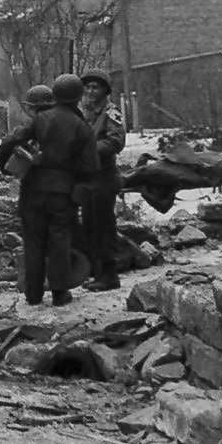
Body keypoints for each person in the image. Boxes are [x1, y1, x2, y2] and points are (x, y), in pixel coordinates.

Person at [0, 80, 98, 307]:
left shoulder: (38, 120)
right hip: (63, 192)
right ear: (78, 96)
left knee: (33, 241)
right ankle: (60, 293)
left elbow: (9, 142)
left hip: (33, 190)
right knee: (60, 241)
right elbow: (91, 168)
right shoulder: (82, 126)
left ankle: (33, 293)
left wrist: (5, 165)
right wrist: (78, 194)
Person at [77, 68, 126, 291]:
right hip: (88, 177)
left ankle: (109, 274)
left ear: (105, 91)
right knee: (90, 226)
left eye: (95, 87)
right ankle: (97, 272)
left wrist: (88, 150)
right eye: (87, 87)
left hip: (104, 176)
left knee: (104, 227)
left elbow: (116, 142)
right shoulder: (83, 112)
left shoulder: (110, 113)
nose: (90, 91)